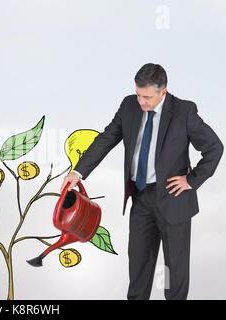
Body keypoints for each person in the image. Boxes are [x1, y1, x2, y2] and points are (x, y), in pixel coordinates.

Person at [61, 63, 223, 300]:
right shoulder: (129, 106)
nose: (141, 102)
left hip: (174, 199)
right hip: (141, 198)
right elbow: (106, 138)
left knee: (174, 271)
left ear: (163, 91)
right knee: (138, 265)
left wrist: (191, 180)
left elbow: (214, 147)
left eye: (147, 97)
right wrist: (79, 172)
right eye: (138, 94)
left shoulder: (184, 112)